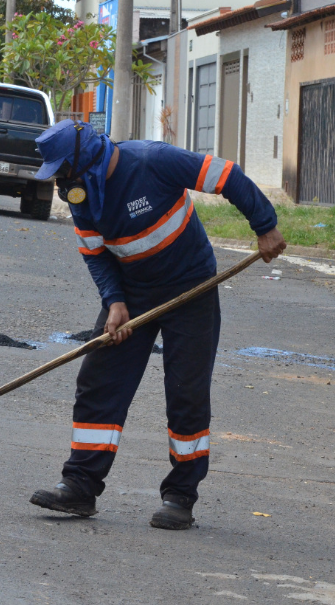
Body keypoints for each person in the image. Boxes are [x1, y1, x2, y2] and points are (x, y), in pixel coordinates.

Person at [28, 120, 287, 530]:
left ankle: (180, 496)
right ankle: (79, 485)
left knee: (186, 392)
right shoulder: (81, 193)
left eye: (63, 170)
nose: (61, 181)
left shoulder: (154, 160)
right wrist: (114, 302)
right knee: (99, 381)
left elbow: (228, 176)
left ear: (84, 157)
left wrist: (265, 225)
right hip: (132, 295)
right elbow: (95, 253)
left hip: (192, 288)